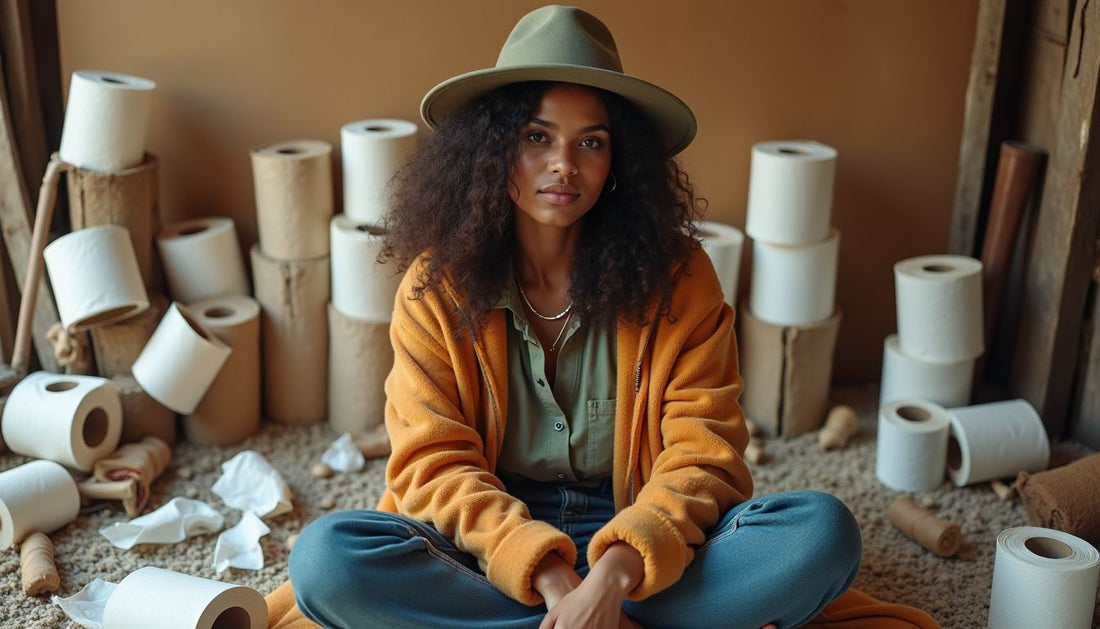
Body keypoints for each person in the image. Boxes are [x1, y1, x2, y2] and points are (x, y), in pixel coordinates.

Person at [269, 5, 939, 629]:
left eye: (591, 142)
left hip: (647, 548)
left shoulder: (679, 276)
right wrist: (556, 580)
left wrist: (613, 576)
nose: (565, 164)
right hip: (488, 549)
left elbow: (703, 454)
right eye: (538, 137)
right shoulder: (436, 286)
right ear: (492, 151)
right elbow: (431, 463)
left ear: (620, 162)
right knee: (326, 558)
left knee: (823, 532)